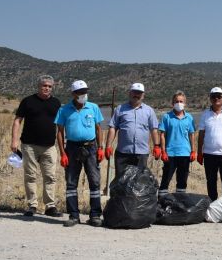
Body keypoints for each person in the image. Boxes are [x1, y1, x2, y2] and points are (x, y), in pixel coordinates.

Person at [10, 75, 63, 217]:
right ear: (38, 86)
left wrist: (63, 143)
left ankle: (50, 206)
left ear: (52, 88)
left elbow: (60, 125)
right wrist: (14, 140)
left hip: (49, 147)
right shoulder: (28, 101)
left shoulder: (56, 103)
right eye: (44, 85)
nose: (46, 88)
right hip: (29, 145)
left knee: (50, 176)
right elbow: (17, 121)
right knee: (30, 176)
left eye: (49, 86)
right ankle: (32, 205)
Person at [54, 80, 105, 227]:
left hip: (91, 147)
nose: (84, 95)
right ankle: (73, 215)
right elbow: (59, 132)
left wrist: (100, 148)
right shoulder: (64, 110)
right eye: (80, 92)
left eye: (85, 92)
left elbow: (98, 129)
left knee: (94, 182)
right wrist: (63, 153)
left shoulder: (93, 108)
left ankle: (95, 215)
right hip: (72, 148)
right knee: (71, 182)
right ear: (73, 94)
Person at [104, 83, 161, 175]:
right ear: (130, 93)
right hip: (123, 153)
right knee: (121, 181)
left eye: (139, 93)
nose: (136, 95)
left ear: (143, 95)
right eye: (134, 92)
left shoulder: (149, 111)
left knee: (139, 182)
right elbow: (113, 128)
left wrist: (157, 146)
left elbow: (154, 130)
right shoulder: (120, 109)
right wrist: (108, 146)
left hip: (141, 153)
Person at [197, 87, 222, 201]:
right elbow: (201, 134)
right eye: (213, 96)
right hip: (209, 154)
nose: (216, 98)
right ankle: (212, 205)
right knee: (211, 181)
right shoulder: (205, 114)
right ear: (210, 98)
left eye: (219, 96)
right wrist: (199, 153)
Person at [158, 91, 196, 197]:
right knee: (166, 179)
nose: (178, 103)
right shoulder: (166, 117)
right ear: (172, 103)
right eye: (176, 101)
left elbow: (192, 135)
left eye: (181, 101)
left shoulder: (189, 117)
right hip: (170, 154)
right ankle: (161, 202)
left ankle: (180, 204)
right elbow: (162, 135)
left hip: (185, 153)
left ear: (185, 103)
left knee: (182, 182)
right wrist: (163, 151)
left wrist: (193, 151)